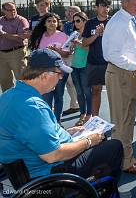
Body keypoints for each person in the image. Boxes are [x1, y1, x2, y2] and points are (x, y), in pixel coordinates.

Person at [0, 48, 123, 183]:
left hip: (28, 169)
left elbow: (30, 132)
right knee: (114, 146)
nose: (60, 78)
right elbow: (52, 155)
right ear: (44, 75)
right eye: (59, 74)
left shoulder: (9, 95)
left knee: (100, 141)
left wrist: (67, 132)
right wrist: (88, 141)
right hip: (47, 176)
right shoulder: (33, 106)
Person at [102, 0, 136, 176]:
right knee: (121, 120)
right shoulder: (119, 22)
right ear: (125, 3)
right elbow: (112, 54)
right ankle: (124, 162)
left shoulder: (128, 20)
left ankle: (127, 156)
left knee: (128, 118)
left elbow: (125, 49)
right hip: (121, 73)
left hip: (128, 72)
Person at [29, 13, 70, 122]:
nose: (52, 23)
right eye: (49, 21)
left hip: (60, 71)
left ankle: (57, 122)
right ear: (45, 23)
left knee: (58, 97)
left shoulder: (63, 36)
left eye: (54, 21)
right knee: (46, 98)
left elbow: (66, 54)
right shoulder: (40, 37)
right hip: (44, 72)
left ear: (57, 23)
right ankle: (48, 122)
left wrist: (56, 50)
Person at [82, 0, 111, 117]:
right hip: (94, 63)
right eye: (103, 6)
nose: (106, 9)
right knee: (95, 91)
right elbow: (84, 43)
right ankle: (95, 120)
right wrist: (97, 35)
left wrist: (106, 34)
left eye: (108, 6)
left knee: (113, 93)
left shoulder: (112, 22)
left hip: (111, 63)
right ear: (96, 7)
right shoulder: (90, 23)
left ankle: (116, 120)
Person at [66, 12, 92, 126]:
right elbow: (71, 51)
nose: (75, 23)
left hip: (85, 66)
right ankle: (82, 114)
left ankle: (89, 115)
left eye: (78, 21)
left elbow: (90, 50)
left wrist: (80, 43)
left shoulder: (89, 34)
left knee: (87, 92)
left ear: (85, 21)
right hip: (74, 66)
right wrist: (71, 46)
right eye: (74, 21)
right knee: (79, 92)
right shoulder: (74, 34)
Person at [0, 2, 29, 92]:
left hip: (17, 53)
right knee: (4, 81)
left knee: (22, 79)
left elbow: (22, 38)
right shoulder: (0, 20)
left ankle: (25, 102)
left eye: (14, 9)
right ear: (3, 10)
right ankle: (9, 102)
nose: (13, 12)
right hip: (1, 55)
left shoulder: (21, 20)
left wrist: (4, 34)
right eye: (9, 10)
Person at [62, 5, 82, 116]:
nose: (70, 13)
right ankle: (74, 104)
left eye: (73, 11)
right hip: (67, 55)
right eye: (68, 11)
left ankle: (82, 105)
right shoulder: (66, 25)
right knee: (69, 82)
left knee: (77, 81)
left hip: (79, 55)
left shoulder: (83, 23)